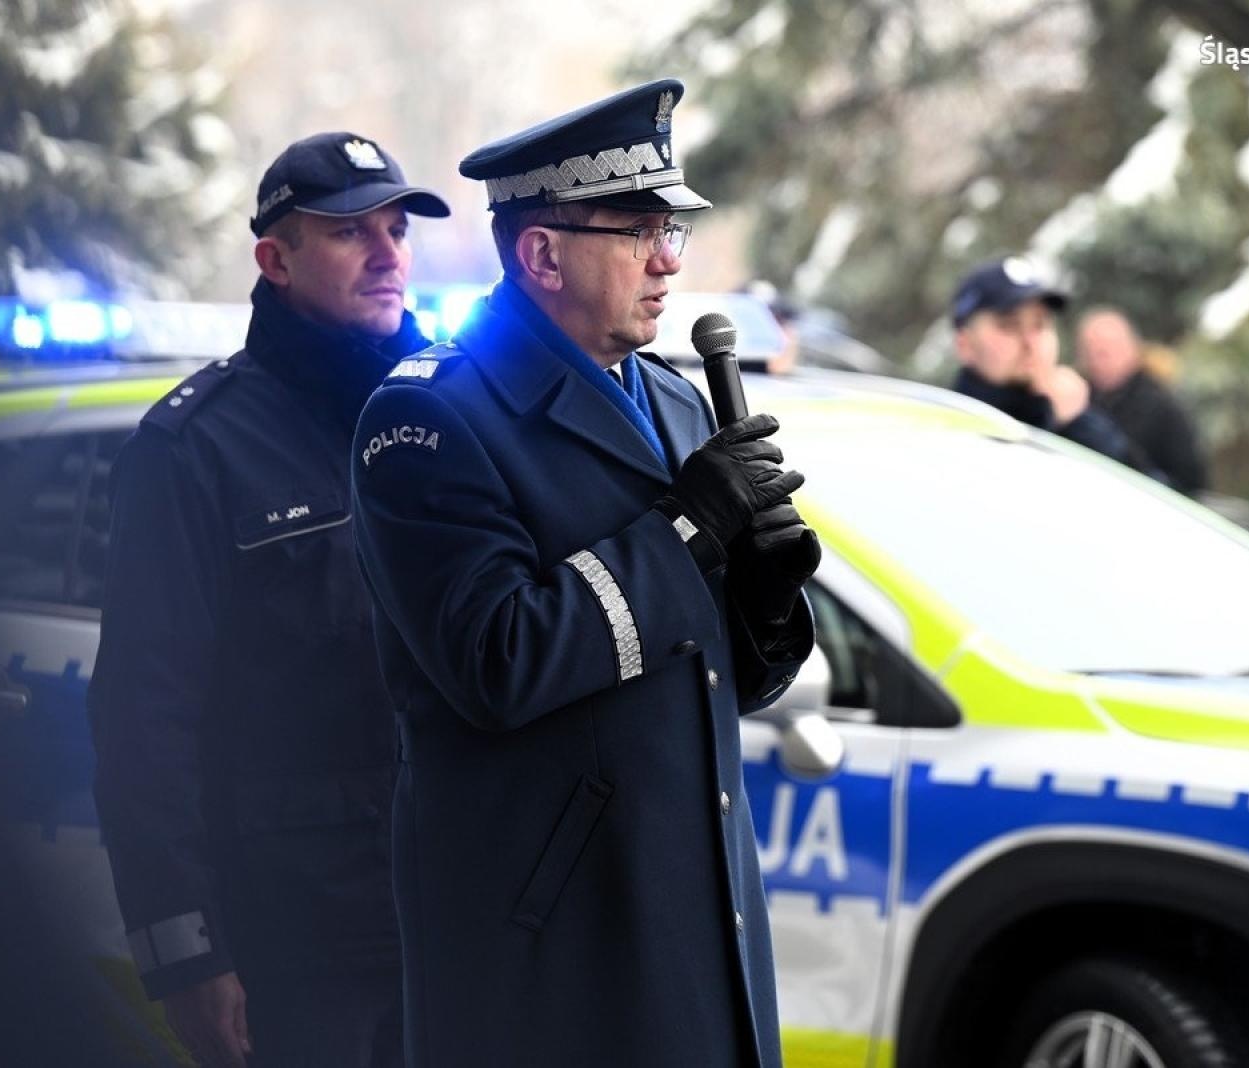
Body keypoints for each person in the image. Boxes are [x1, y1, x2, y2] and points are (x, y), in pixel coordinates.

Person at [349, 79, 818, 1068]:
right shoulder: (430, 419)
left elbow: (703, 671)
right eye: (638, 230)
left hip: (696, 913)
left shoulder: (672, 399)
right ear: (540, 253)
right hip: (553, 948)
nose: (668, 259)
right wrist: (691, 527)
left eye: (674, 230)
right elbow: (497, 660)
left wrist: (766, 607)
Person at [88, 132, 451, 1068]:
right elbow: (143, 718)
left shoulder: (445, 420)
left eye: (397, 228)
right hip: (296, 949)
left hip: (451, 926)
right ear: (274, 260)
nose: (388, 254)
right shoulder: (193, 450)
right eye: (348, 233)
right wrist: (185, 956)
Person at [950, 255, 1163, 480]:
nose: (1030, 342)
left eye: (1040, 325)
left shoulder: (1077, 416)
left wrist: (1080, 423)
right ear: (965, 345)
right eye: (1009, 326)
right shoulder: (946, 432)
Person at [1076, 306, 1208, 493]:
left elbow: (1190, 483)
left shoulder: (1163, 407)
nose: (1097, 359)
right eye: (1090, 351)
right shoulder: (1079, 400)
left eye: (1106, 350)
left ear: (1132, 349)